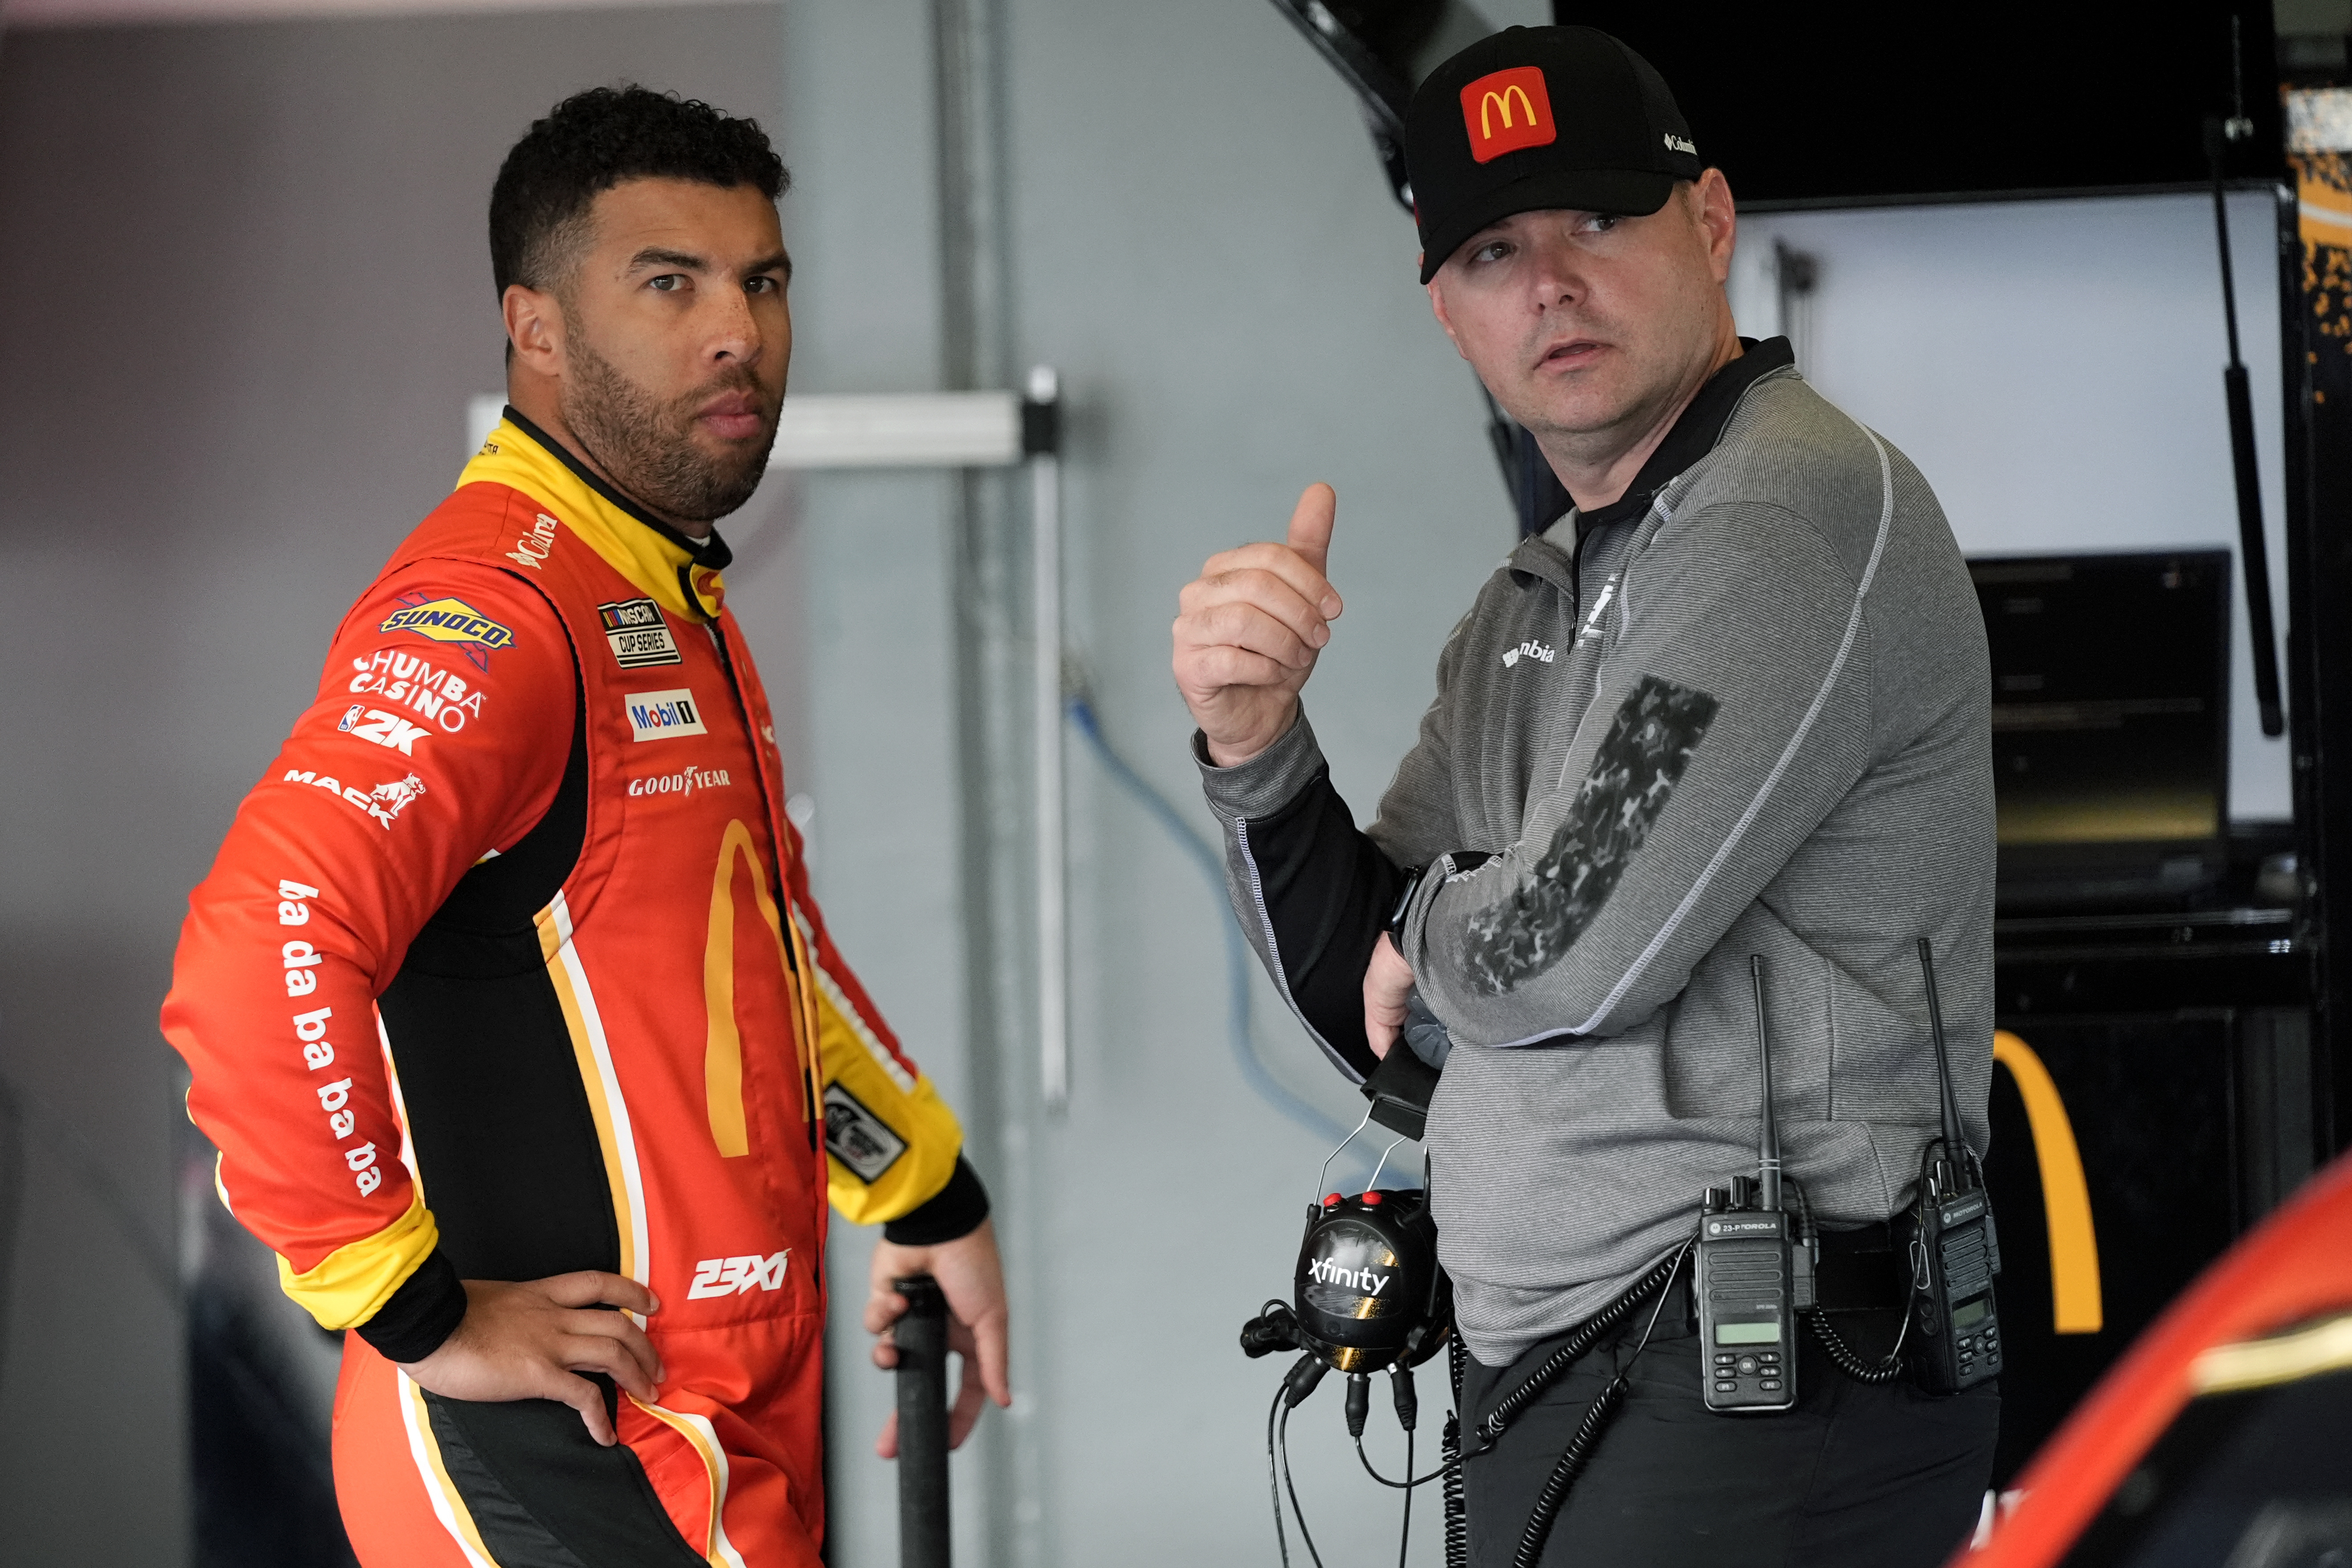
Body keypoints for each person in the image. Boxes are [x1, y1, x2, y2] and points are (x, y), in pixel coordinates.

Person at [1172, 25, 1997, 1568]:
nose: (1549, 280)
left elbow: (1561, 952)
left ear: (1710, 222)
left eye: (1597, 221)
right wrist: (1253, 742)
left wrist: (1445, 926)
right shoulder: (1534, 598)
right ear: (1448, 312)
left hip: (1765, 1393)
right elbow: (1378, 999)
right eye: (1493, 249)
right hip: (1583, 1377)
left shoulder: (1781, 513)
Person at [161, 86, 1008, 1567]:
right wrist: (408, 1307)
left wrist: (923, 1183)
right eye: (668, 283)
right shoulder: (503, 608)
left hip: (698, 1436)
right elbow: (264, 942)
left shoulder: (655, 600)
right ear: (536, 327)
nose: (738, 328)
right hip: (551, 1465)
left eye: (763, 280)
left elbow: (752, 966)